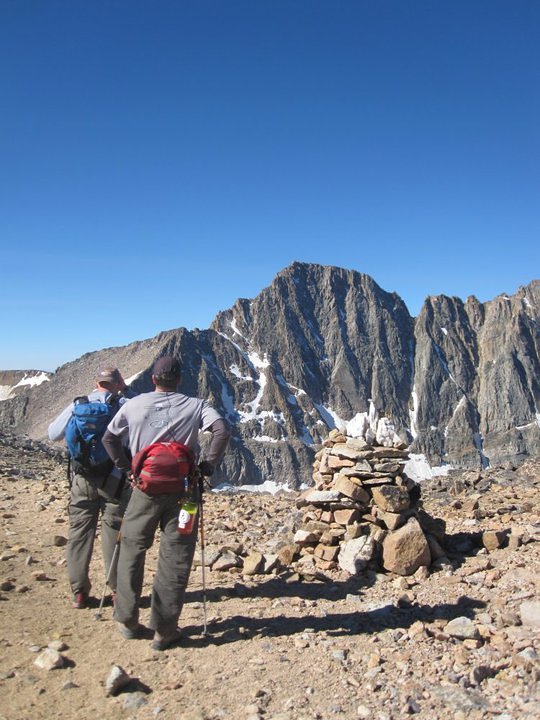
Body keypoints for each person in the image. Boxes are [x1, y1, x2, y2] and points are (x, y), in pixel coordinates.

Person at [102, 355, 230, 650]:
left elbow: (109, 439)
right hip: (185, 493)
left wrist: (128, 471)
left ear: (153, 379)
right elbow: (221, 430)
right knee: (176, 558)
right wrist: (208, 465)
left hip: (143, 490)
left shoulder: (134, 404)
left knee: (131, 549)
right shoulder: (197, 406)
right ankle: (165, 629)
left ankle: (128, 619)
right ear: (179, 379)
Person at [48, 366, 136, 609]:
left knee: (79, 534)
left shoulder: (79, 404)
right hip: (115, 481)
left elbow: (53, 433)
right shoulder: (124, 405)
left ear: (96, 382)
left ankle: (79, 593)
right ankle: (117, 592)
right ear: (118, 382)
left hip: (82, 479)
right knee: (114, 534)